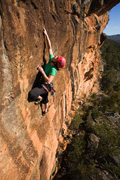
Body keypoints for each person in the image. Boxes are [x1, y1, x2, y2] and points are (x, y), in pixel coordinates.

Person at [29, 28, 66, 115]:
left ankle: (39, 98)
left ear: (56, 62)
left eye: (56, 58)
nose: (55, 56)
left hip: (45, 85)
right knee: (45, 97)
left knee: (32, 94)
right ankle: (46, 110)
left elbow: (49, 81)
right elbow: (49, 48)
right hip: (45, 85)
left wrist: (42, 71)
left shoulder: (54, 69)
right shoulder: (51, 60)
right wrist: (46, 35)